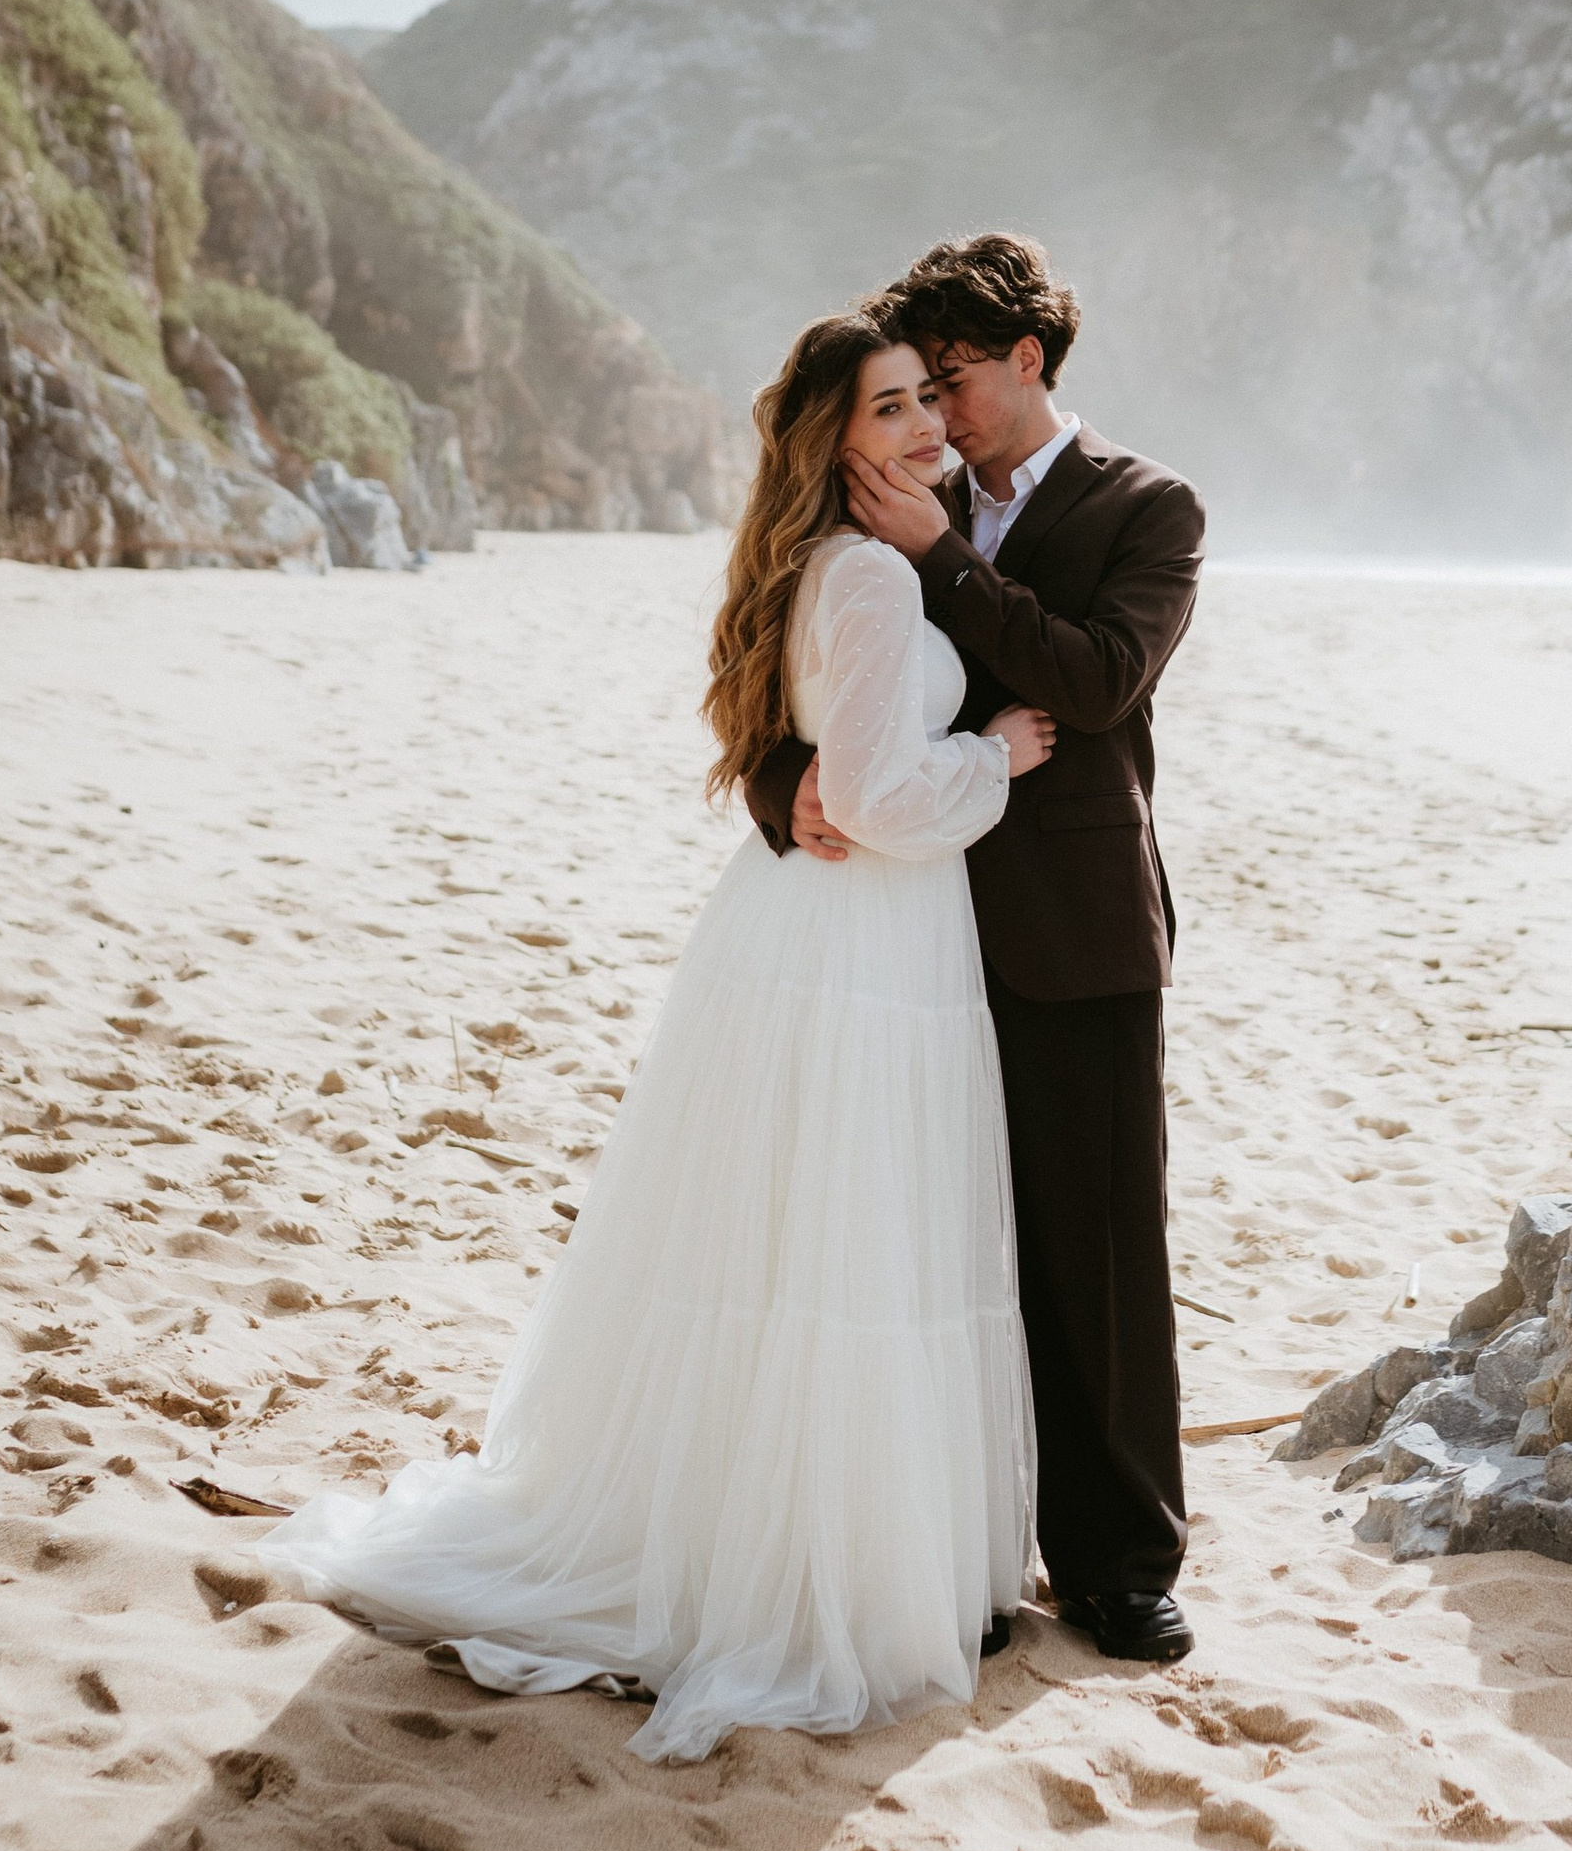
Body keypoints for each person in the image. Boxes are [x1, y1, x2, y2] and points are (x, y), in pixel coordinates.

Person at [260, 313, 1053, 1761]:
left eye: (926, 402)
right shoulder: (873, 576)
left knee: (789, 1244)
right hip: (865, 936)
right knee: (841, 1243)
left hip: (810, 934)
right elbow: (874, 798)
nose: (925, 428)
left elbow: (824, 760)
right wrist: (994, 754)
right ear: (837, 446)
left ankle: (775, 1533)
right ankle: (819, 1573)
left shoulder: (827, 566)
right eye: (890, 412)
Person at [749, 233, 1207, 1664]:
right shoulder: (877, 522)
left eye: (956, 383)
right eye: (918, 391)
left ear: (1031, 360)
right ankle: (957, 1551)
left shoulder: (1150, 507)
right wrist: (785, 789)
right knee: (934, 1251)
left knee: (1097, 1259)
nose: (936, 418)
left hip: (1073, 936)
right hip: (904, 936)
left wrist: (943, 559)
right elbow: (806, 683)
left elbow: (1094, 680)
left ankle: (1123, 1563)